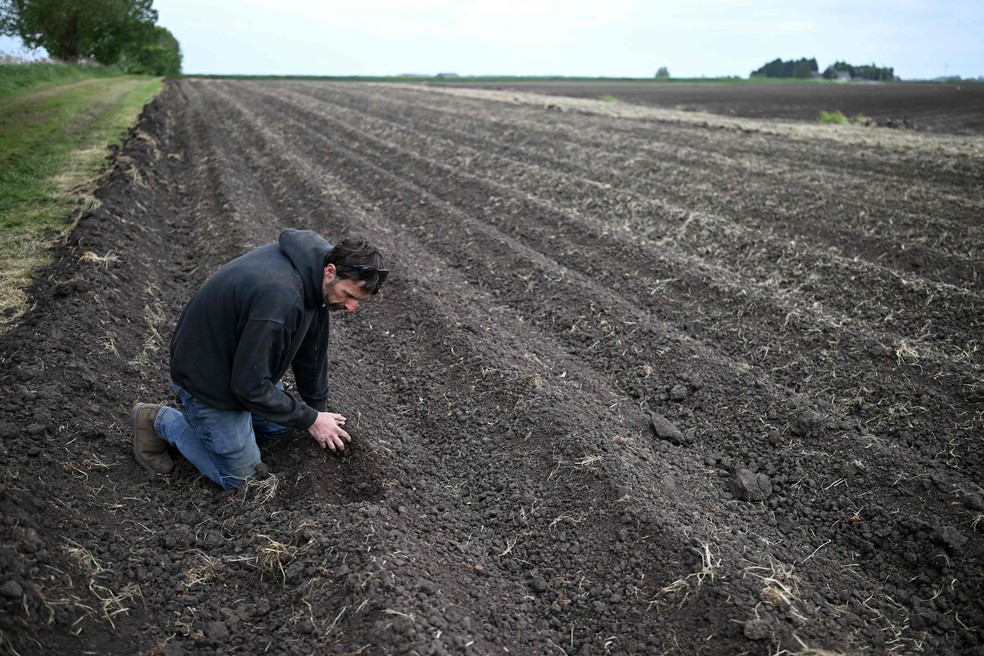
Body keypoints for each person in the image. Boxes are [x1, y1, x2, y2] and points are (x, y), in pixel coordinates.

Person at [131, 229, 387, 491]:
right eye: (350, 295)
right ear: (331, 271)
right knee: (244, 482)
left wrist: (316, 408)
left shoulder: (316, 273)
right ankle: (160, 421)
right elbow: (250, 387)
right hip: (208, 380)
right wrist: (309, 419)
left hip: (243, 362)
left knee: (282, 428)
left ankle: (238, 431)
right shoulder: (279, 299)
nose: (352, 306)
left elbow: (312, 347)